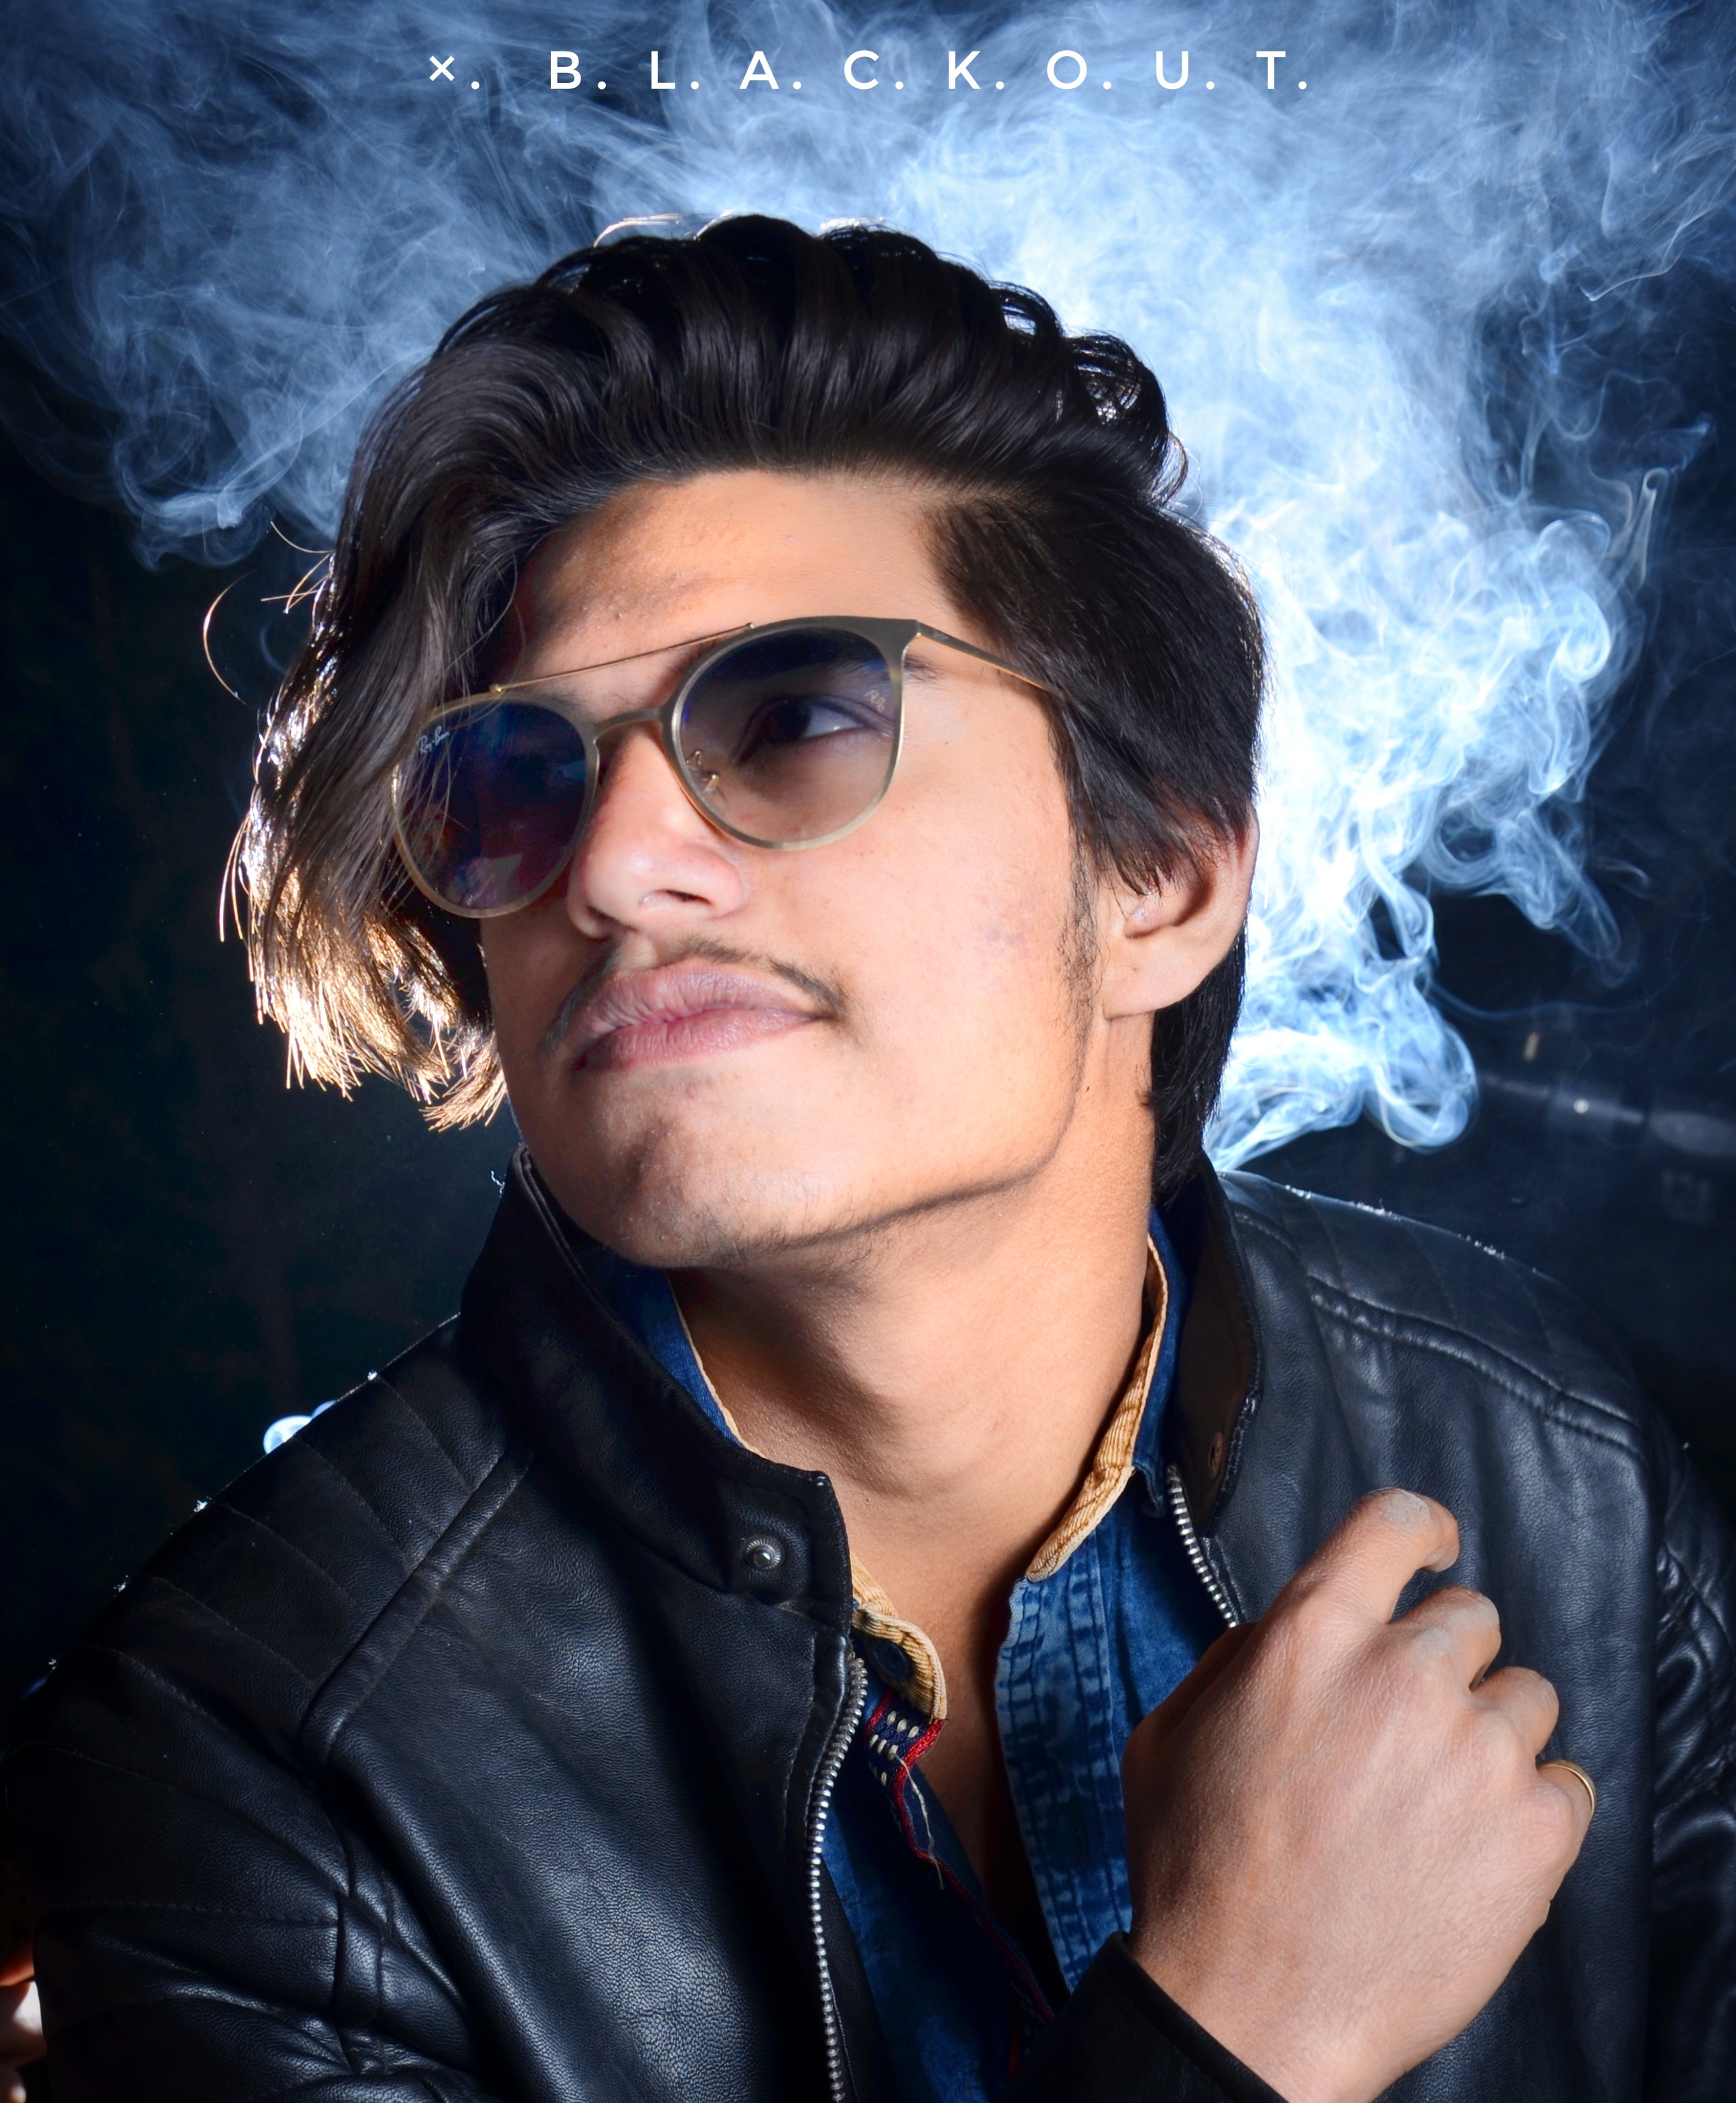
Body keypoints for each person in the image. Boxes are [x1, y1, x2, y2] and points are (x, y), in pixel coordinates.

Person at [9, 216, 1733, 2103]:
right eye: (521, 779)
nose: (612, 867)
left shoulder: (1562, 1469)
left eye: (795, 718)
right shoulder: (249, 1754)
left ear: (1161, 874)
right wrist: (1234, 2035)